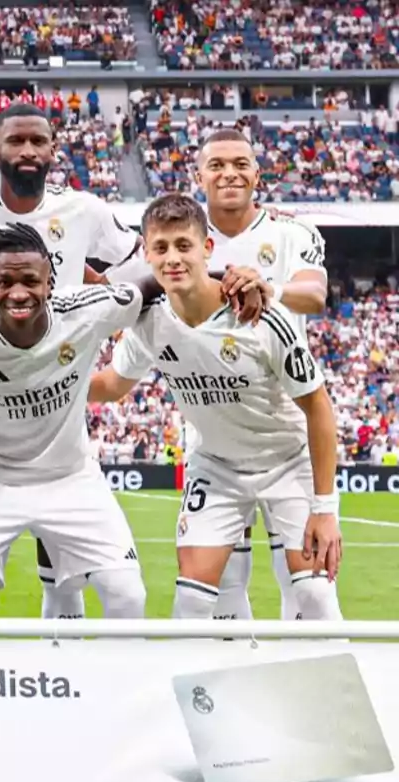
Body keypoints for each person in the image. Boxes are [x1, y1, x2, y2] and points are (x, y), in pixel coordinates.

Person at [0, 103, 140, 621]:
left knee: (73, 572)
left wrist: (82, 311)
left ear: (52, 152)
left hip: (56, 373)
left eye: (37, 143)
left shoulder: (84, 211)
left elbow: (136, 269)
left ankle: (67, 674)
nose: (26, 152)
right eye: (15, 142)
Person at [89, 193, 343, 620]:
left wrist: (325, 510)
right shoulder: (149, 321)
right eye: (162, 247)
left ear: (207, 249)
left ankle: (339, 686)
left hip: (287, 462)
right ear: (146, 253)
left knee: (315, 595)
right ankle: (205, 689)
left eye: (184, 246)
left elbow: (318, 407)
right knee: (191, 601)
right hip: (217, 468)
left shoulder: (259, 315)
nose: (173, 258)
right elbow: (112, 385)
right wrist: (45, 375)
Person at [0, 222, 150, 619]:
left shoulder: (88, 310)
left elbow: (153, 285)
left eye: (31, 281)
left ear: (50, 282)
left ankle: (104, 680)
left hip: (69, 477)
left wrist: (229, 280)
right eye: (6, 282)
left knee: (127, 595)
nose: (18, 293)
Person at [192, 129, 330, 622]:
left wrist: (266, 286)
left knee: (309, 587)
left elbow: (314, 295)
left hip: (285, 421)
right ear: (199, 175)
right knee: (223, 586)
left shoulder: (292, 234)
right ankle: (238, 679)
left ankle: (313, 683)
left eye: (240, 163)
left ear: (257, 173)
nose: (229, 173)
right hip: (212, 426)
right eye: (217, 165)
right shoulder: (187, 240)